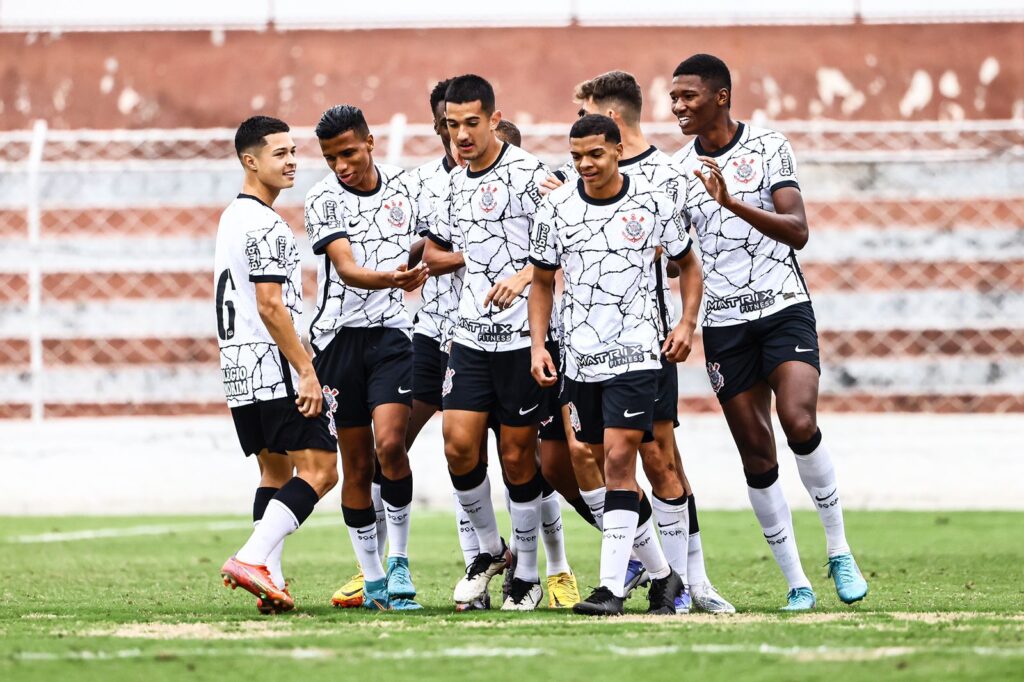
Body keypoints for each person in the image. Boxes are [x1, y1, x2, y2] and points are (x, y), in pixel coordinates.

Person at [670, 53, 868, 610]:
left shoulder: (767, 146)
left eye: (688, 97)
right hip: (725, 324)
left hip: (782, 308)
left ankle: (838, 549)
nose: (678, 107)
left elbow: (797, 230)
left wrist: (730, 203)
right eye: (674, 98)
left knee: (797, 418)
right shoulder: (675, 169)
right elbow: (678, 256)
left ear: (721, 96)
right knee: (756, 454)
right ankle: (796, 582)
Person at [543, 70, 735, 613]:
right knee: (587, 457)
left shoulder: (667, 178)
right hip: (581, 341)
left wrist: (685, 321)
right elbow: (548, 259)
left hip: (642, 342)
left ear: (614, 119)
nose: (581, 136)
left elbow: (687, 257)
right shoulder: (574, 177)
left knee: (658, 458)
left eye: (587, 114)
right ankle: (650, 566)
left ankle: (692, 583)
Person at [423, 74, 551, 611]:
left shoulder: (532, 175)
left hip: (524, 338)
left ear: (495, 120)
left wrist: (522, 277)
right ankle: (488, 551)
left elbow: (568, 242)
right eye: (452, 126)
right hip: (470, 337)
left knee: (519, 458)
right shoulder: (450, 183)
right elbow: (433, 252)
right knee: (457, 444)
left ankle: (526, 572)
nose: (461, 136)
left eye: (472, 123)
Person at [305, 104, 428, 611]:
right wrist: (396, 278)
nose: (343, 166)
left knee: (391, 444)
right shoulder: (321, 198)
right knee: (356, 465)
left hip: (393, 336)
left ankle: (398, 561)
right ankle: (373, 577)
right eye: (332, 157)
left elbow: (429, 239)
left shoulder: (407, 187)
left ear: (371, 141)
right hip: (337, 340)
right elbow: (348, 269)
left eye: (350, 153)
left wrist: (417, 264)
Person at [216, 116, 339, 614]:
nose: (291, 161)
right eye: (279, 153)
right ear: (250, 161)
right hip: (273, 364)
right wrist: (306, 369)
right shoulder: (266, 224)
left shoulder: (232, 217)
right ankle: (251, 557)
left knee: (275, 467)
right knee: (322, 469)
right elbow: (271, 305)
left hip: (238, 364)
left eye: (293, 151)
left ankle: (271, 578)